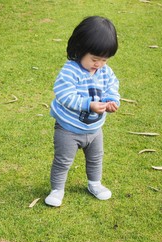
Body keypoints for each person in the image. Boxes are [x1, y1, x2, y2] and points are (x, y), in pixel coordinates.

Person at [45, 16, 120, 207]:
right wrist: (89, 104)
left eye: (104, 60)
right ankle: (57, 189)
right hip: (68, 129)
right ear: (79, 50)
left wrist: (112, 101)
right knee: (63, 161)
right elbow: (64, 95)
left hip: (95, 129)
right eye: (95, 59)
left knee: (96, 159)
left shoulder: (105, 71)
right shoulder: (70, 71)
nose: (99, 64)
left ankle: (95, 184)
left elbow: (112, 87)